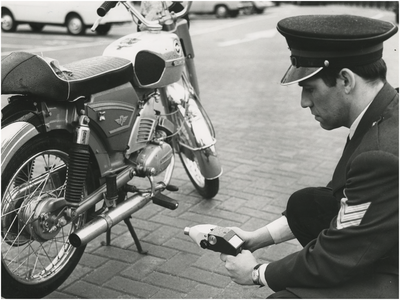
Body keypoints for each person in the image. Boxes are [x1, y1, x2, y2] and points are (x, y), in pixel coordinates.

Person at [220, 14, 399, 298]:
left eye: (309, 88)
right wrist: (256, 239)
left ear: (346, 80)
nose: (304, 102)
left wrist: (256, 273)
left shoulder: (380, 153)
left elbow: (336, 254)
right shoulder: (384, 109)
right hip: (386, 239)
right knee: (306, 204)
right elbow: (342, 199)